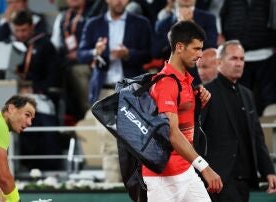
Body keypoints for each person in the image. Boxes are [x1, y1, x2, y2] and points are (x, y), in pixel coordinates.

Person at [142, 20, 223, 201]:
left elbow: (185, 121)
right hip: (162, 178)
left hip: (186, 170)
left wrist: (199, 102)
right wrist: (205, 167)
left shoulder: (185, 79)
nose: (200, 54)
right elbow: (172, 133)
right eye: (196, 49)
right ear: (179, 47)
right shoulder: (166, 83)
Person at [77, 0, 153, 182]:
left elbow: (150, 53)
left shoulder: (141, 23)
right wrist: (95, 52)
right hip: (105, 92)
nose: (119, 1)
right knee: (109, 145)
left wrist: (129, 54)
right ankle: (112, 188)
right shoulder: (93, 23)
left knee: (137, 141)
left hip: (133, 91)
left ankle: (139, 189)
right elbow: (82, 54)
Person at [195, 40, 276, 201]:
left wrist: (268, 170)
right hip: (216, 180)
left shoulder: (247, 94)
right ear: (219, 62)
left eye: (241, 59)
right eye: (233, 59)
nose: (238, 63)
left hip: (243, 180)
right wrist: (202, 172)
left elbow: (257, 137)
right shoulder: (204, 93)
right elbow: (194, 137)